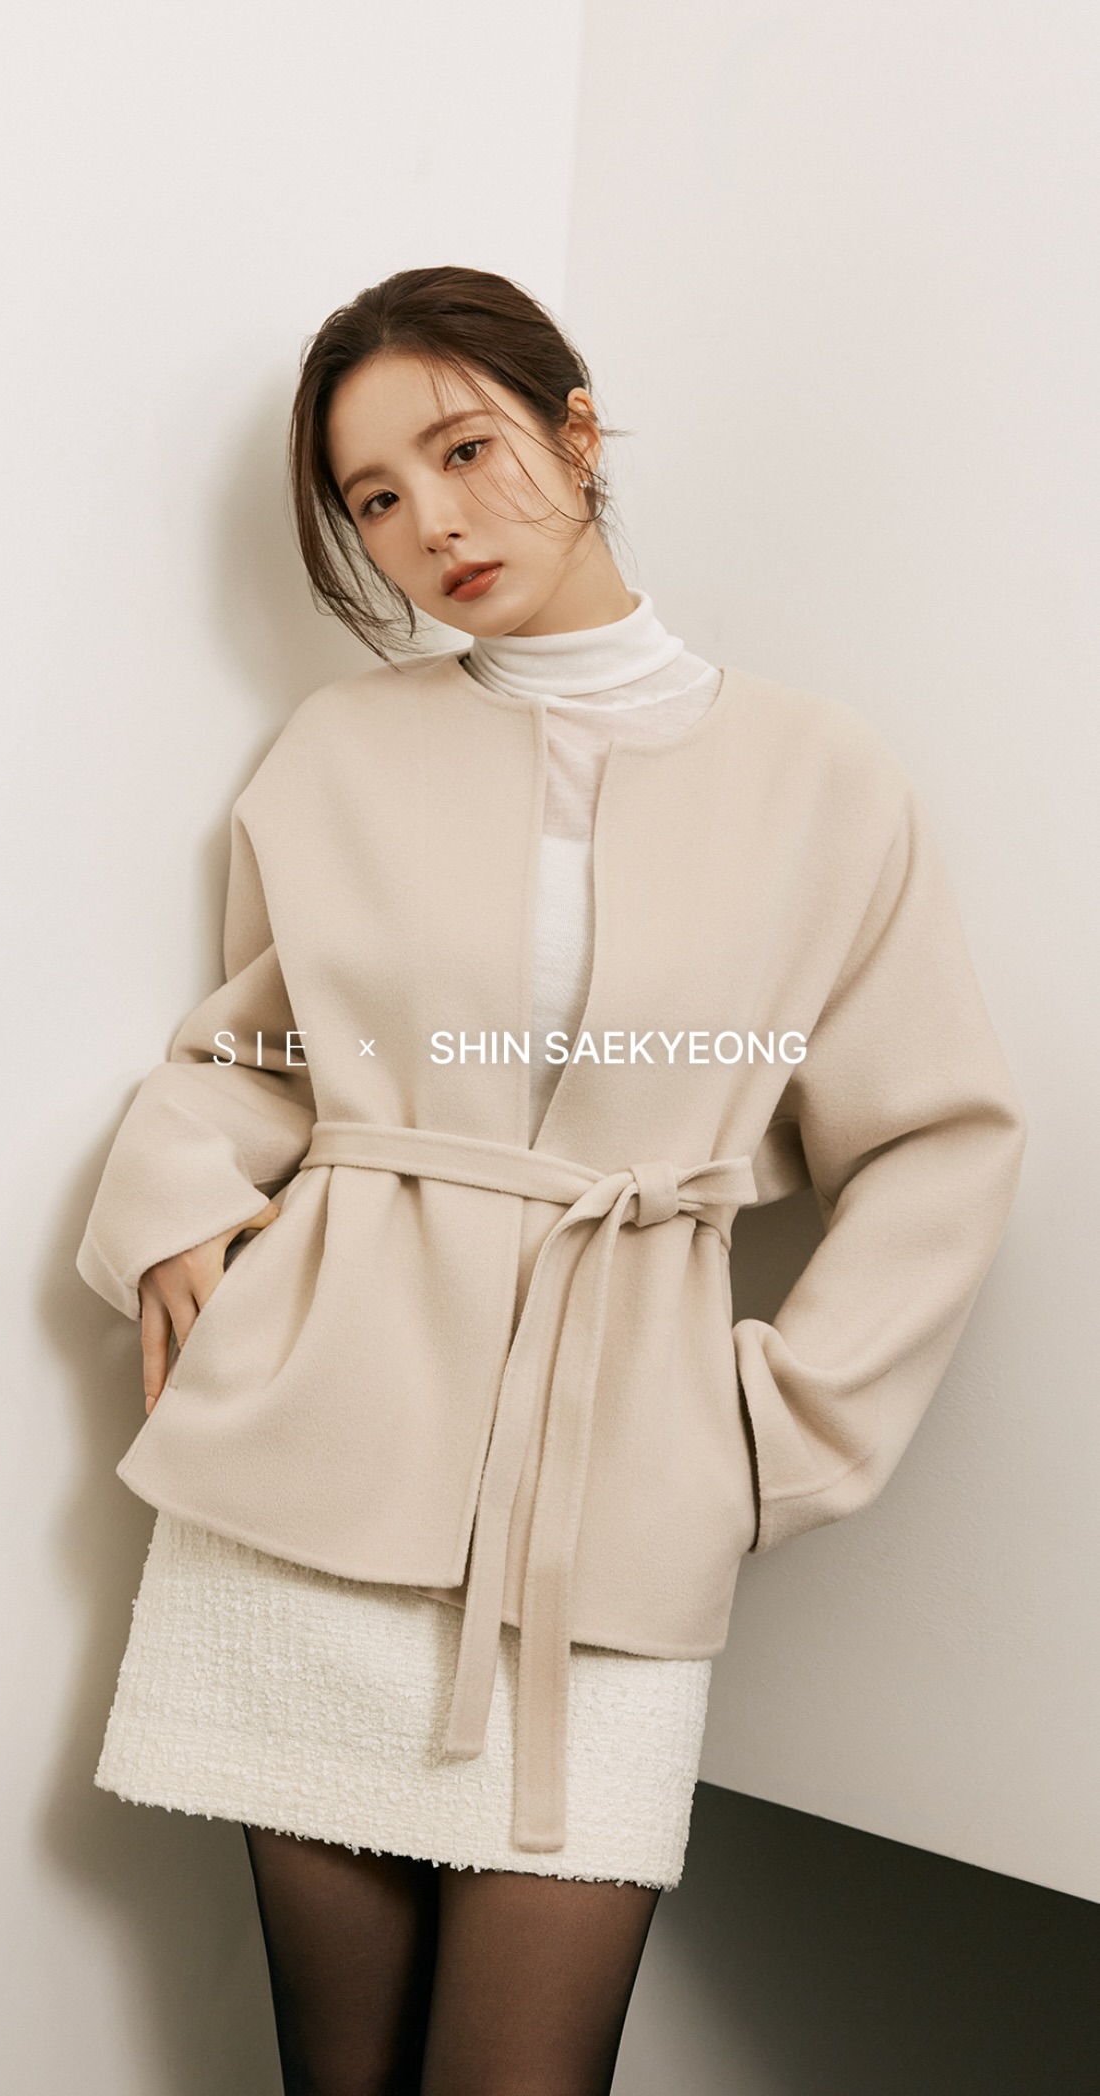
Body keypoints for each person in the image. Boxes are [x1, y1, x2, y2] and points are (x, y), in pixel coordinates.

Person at [77, 265, 1026, 2095]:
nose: (430, 524)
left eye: (463, 450)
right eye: (374, 497)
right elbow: (265, 1046)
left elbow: (936, 1139)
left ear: (576, 432)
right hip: (318, 1469)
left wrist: (767, 1430)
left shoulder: (822, 779)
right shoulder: (344, 751)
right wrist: (176, 1196)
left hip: (613, 1506)